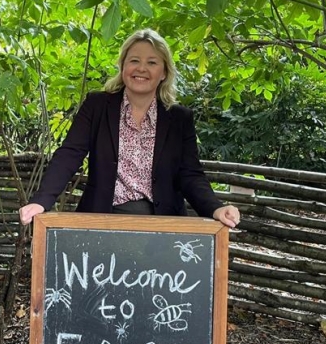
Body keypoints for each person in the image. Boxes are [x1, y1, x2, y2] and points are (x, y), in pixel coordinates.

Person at [18, 28, 240, 228]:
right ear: (123, 66)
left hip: (162, 224)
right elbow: (69, 154)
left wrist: (215, 208)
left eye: (152, 62)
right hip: (102, 219)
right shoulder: (96, 106)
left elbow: (190, 174)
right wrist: (41, 201)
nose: (141, 68)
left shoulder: (179, 118)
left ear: (163, 72)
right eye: (134, 60)